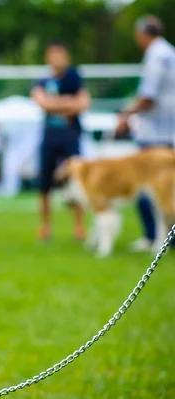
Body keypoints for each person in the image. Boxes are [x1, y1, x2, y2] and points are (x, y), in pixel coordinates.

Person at [116, 15, 175, 252]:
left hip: (157, 135)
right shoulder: (170, 51)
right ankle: (166, 239)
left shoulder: (155, 55)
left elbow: (148, 95)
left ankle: (152, 237)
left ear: (142, 34)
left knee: (143, 186)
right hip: (170, 133)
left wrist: (126, 114)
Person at [30, 41, 91, 241]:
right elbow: (41, 102)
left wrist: (54, 103)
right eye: (52, 55)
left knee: (76, 180)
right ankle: (45, 227)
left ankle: (79, 226)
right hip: (49, 136)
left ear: (67, 57)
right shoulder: (42, 81)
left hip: (70, 136)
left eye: (60, 55)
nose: (56, 59)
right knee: (44, 184)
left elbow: (82, 104)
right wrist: (66, 103)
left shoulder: (75, 78)